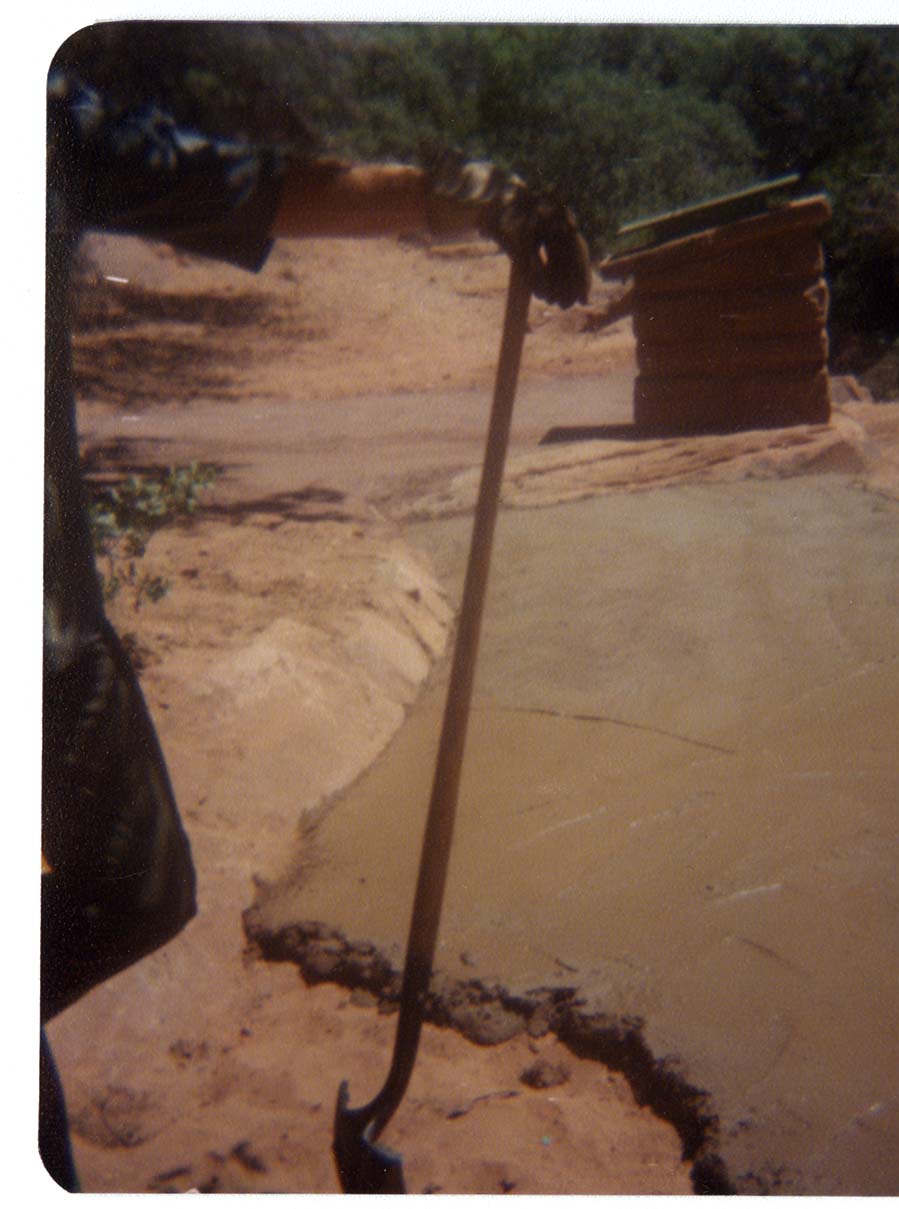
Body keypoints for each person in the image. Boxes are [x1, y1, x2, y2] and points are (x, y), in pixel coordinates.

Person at [42, 69, 590, 1190]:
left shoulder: (42, 123)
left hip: (49, 623)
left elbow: (247, 186)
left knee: (144, 888)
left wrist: (461, 197)